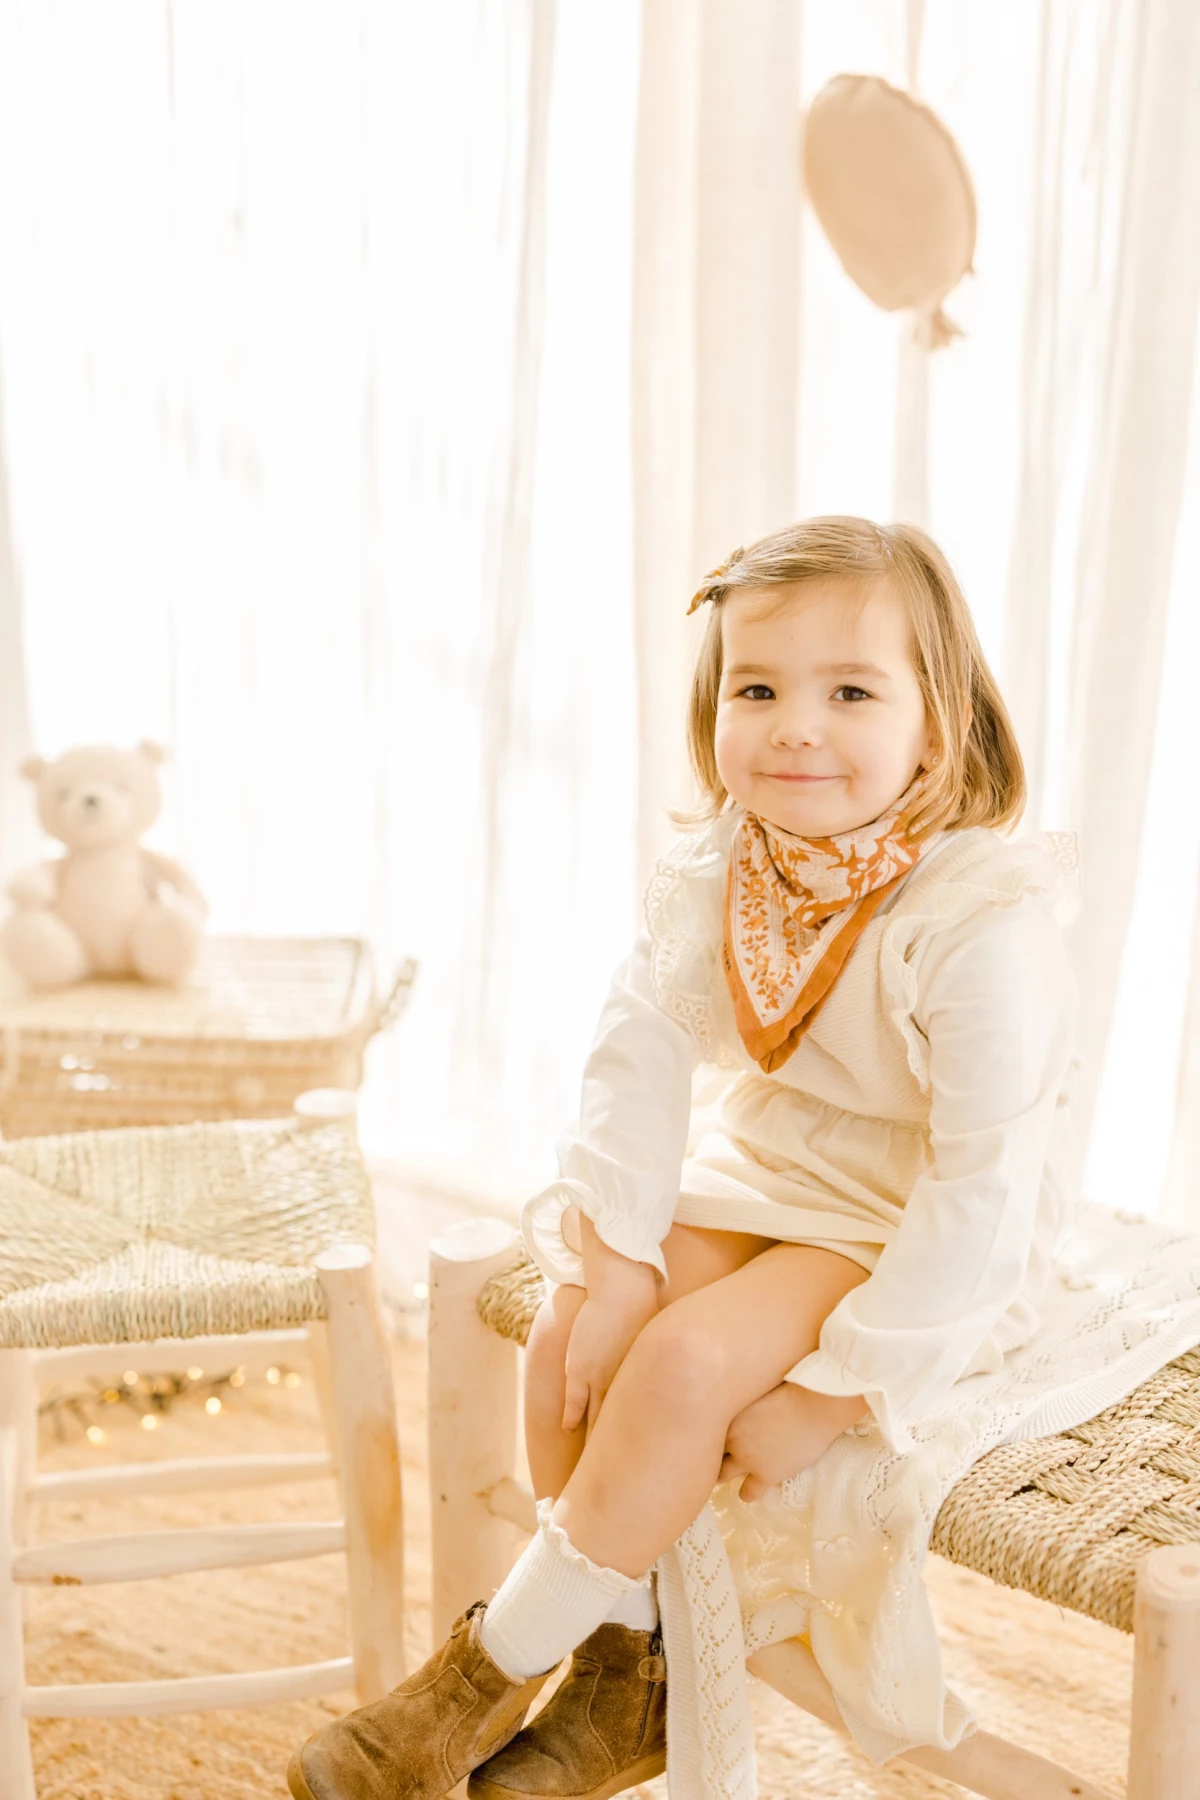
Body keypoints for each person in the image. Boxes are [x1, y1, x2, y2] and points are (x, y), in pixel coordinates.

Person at [288, 515, 1085, 1800]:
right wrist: (611, 1260)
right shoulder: (728, 868)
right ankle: (626, 1674)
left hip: (900, 1216)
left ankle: (472, 1683)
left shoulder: (977, 917)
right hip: (769, 1167)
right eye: (755, 688)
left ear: (935, 726)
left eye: (850, 692)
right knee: (570, 1346)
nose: (795, 726)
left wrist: (836, 1394)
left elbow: (983, 1181)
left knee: (686, 1362)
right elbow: (640, 1053)